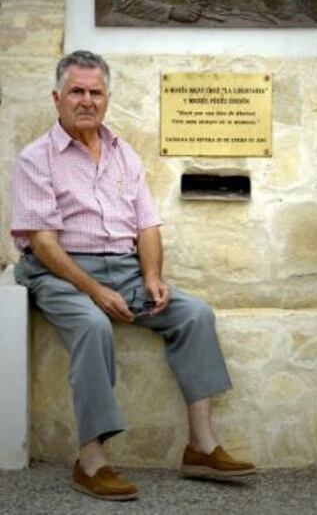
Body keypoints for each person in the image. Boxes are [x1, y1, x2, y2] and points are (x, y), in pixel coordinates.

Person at [11, 50, 256, 501]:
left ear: (106, 99)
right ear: (57, 98)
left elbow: (147, 225)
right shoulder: (36, 158)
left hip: (124, 270)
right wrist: (96, 291)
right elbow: (43, 243)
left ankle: (201, 446)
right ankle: (91, 461)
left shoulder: (124, 154)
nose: (87, 100)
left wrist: (152, 277)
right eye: (76, 91)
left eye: (95, 92)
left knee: (194, 314)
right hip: (60, 271)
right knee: (92, 325)